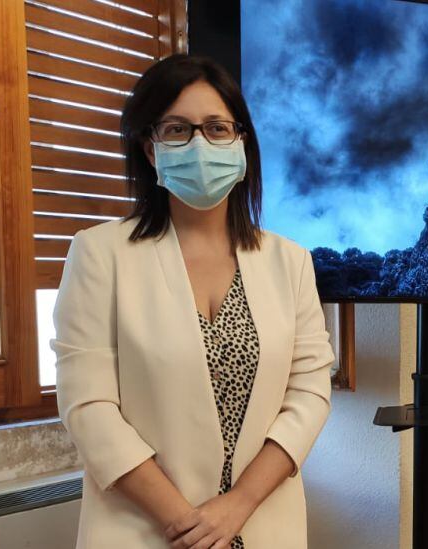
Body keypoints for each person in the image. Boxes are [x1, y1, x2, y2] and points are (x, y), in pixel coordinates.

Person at [53, 55, 334, 549]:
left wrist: (237, 505)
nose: (200, 144)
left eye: (217, 128)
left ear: (242, 140)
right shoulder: (99, 254)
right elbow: (88, 407)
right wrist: (191, 525)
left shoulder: (290, 262)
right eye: (178, 129)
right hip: (144, 529)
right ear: (149, 146)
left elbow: (309, 392)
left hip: (262, 523)